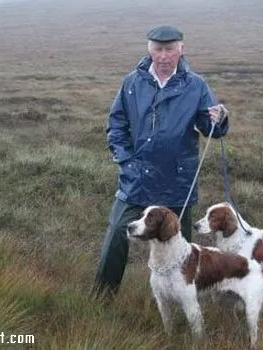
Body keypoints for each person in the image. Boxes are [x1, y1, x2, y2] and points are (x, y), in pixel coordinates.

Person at [94, 24, 230, 298]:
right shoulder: (132, 82)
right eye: (158, 49)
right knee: (118, 232)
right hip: (137, 177)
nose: (164, 55)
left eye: (170, 49)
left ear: (181, 49)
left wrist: (220, 118)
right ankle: (102, 299)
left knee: (180, 248)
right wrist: (126, 161)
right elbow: (116, 124)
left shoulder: (196, 85)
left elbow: (209, 128)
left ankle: (186, 299)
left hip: (178, 181)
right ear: (149, 49)